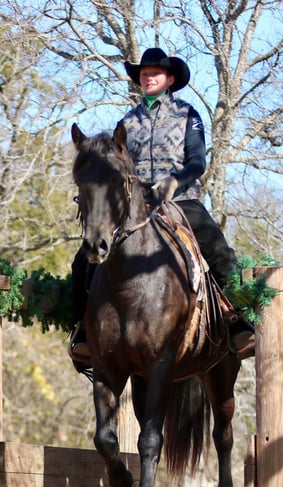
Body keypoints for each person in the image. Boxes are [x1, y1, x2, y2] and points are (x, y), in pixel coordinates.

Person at [69, 47, 254, 364]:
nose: (148, 77)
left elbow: (198, 162)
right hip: (136, 204)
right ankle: (83, 328)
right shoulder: (126, 122)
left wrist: (174, 182)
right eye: (143, 73)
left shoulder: (188, 116)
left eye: (154, 72)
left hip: (180, 200)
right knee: (83, 259)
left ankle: (238, 320)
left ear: (169, 79)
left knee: (219, 250)